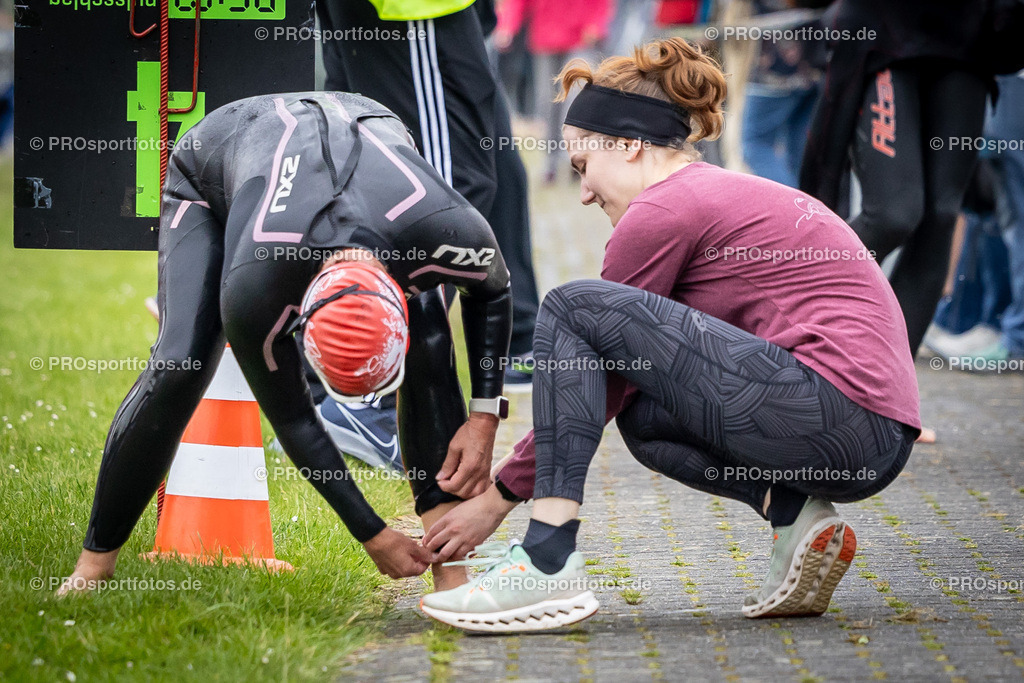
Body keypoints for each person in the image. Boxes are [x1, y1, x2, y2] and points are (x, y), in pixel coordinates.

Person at [418, 38, 920, 632]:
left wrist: (498, 497)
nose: (581, 192)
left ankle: (547, 557)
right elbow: (618, 383)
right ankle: (795, 516)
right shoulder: (717, 192)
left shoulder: (663, 209)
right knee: (647, 417)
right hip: (873, 443)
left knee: (572, 305)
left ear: (629, 145)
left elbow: (589, 348)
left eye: (584, 166)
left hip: (837, 416)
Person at [60, 91, 513, 594]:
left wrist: (484, 416)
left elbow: (494, 293)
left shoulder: (447, 230)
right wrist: (372, 533)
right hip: (219, 156)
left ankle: (451, 572)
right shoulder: (257, 288)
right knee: (180, 364)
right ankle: (93, 566)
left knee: (430, 340)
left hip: (367, 127)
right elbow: (295, 417)